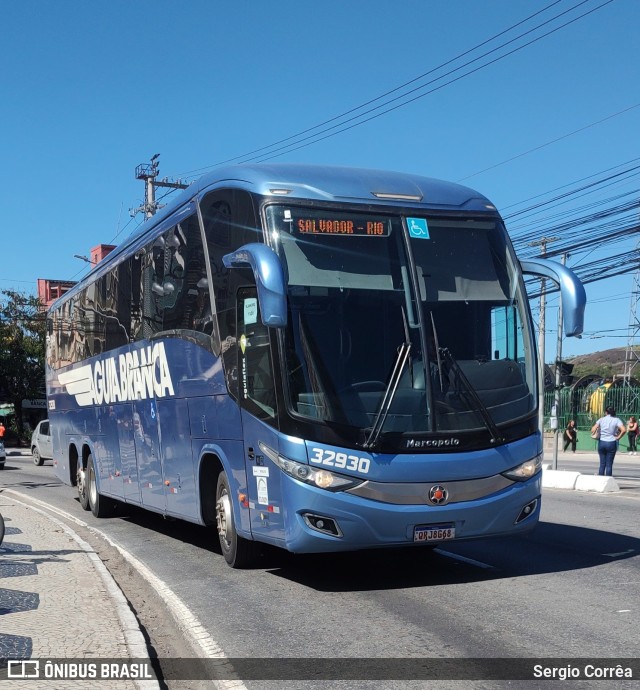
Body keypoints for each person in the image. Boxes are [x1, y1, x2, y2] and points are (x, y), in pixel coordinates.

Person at [591, 406, 626, 477]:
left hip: (602, 442)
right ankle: (608, 481)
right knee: (609, 464)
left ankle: (601, 481)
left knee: (602, 464)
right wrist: (618, 437)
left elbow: (592, 429)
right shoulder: (616, 420)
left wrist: (599, 430)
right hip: (611, 442)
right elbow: (624, 430)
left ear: (606, 412)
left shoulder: (601, 419)